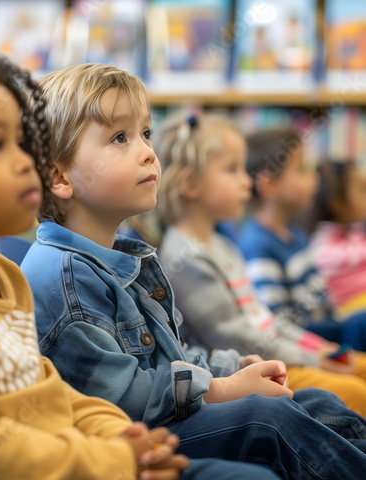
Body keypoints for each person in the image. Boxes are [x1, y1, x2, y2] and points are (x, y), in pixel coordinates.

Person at [0, 47, 295, 480]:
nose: (26, 161)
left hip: (67, 461)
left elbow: (46, 391)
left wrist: (118, 436)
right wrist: (110, 459)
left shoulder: (1, 274)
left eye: (22, 142)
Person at [21, 62, 366, 480]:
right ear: (59, 177)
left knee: (315, 401)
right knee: (266, 421)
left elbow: (172, 355)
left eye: (146, 134)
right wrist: (222, 389)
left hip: (169, 417)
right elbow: (122, 398)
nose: (148, 152)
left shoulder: (123, 258)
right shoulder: (62, 274)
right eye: (119, 138)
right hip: (135, 441)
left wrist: (230, 370)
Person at [156, 112, 366, 416]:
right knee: (354, 392)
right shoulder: (185, 258)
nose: (247, 180)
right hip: (254, 369)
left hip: (282, 356)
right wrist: (311, 359)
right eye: (232, 170)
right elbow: (239, 337)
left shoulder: (222, 244)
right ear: (190, 185)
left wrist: (317, 347)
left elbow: (265, 319)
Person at [238, 128, 366, 353]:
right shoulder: (258, 246)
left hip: (326, 335)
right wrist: (340, 330)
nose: (314, 177)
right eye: (302, 169)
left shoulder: (297, 235)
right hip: (305, 347)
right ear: (270, 186)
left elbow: (323, 301)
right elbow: (280, 325)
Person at [307, 160, 366, 322]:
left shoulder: (355, 232)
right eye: (362, 190)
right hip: (349, 313)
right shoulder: (322, 244)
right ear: (338, 203)